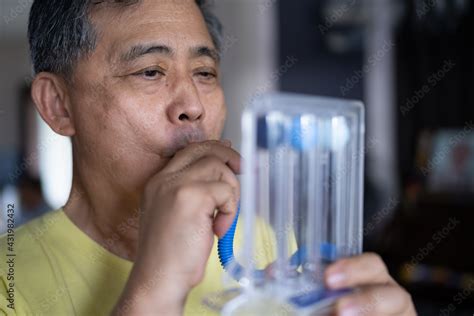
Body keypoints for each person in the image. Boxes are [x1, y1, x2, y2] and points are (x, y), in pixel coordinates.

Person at [0, 0, 417, 315]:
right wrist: (157, 284)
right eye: (150, 72)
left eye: (204, 73)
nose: (193, 106)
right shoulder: (8, 280)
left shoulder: (266, 243)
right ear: (58, 105)